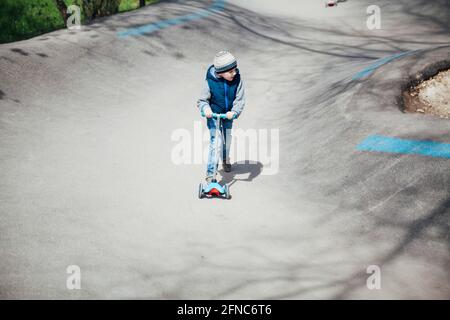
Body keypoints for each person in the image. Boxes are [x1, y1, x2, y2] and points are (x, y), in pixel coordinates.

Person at [197, 51, 246, 184]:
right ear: (220, 73)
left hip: (228, 115)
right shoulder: (210, 82)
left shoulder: (237, 80)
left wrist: (234, 112)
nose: (234, 73)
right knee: (216, 142)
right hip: (213, 116)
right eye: (230, 71)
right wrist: (206, 109)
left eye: (235, 69)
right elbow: (202, 100)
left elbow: (240, 99)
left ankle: (225, 159)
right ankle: (211, 174)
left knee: (227, 140)